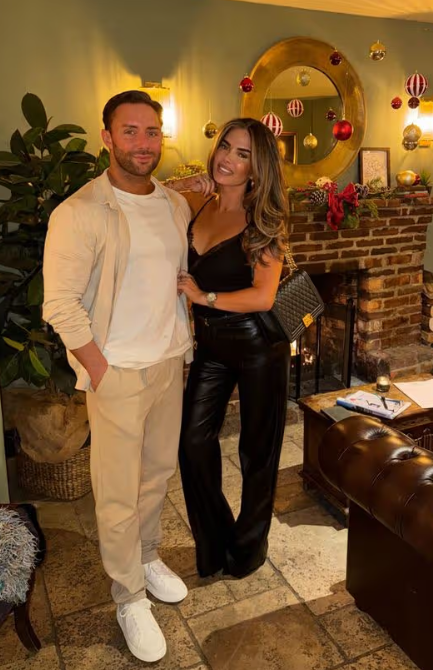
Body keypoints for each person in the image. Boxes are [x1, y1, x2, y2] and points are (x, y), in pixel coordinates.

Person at [42, 90, 213, 663]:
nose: (143, 143)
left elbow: (174, 274)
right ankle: (128, 597)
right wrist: (98, 367)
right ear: (107, 138)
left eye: (152, 131)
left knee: (156, 476)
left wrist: (182, 345)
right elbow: (60, 304)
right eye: (131, 131)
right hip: (116, 372)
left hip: (168, 363)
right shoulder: (79, 212)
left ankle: (146, 556)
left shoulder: (173, 204)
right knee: (116, 493)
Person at [174, 118, 291, 580]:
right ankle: (217, 540)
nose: (228, 158)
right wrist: (187, 182)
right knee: (192, 442)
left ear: (256, 167)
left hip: (257, 345)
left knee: (257, 453)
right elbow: (149, 192)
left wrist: (203, 296)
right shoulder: (197, 202)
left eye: (243, 154)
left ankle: (248, 549)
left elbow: (263, 297)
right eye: (225, 146)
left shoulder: (263, 220)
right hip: (211, 345)